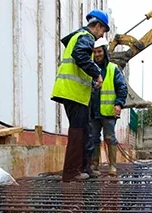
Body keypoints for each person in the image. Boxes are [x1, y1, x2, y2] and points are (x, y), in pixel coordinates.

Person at [51, 9, 110, 182]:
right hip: (73, 92)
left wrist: (90, 80)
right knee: (78, 130)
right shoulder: (86, 37)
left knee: (84, 130)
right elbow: (80, 55)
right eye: (103, 30)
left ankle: (84, 168)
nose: (102, 35)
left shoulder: (80, 37)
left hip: (75, 92)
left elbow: (79, 63)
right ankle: (71, 172)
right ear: (98, 26)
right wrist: (96, 73)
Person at [89, 37, 128, 177]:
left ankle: (112, 165)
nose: (97, 54)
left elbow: (122, 88)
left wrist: (118, 103)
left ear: (104, 52)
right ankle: (94, 165)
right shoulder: (89, 68)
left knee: (109, 137)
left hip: (108, 112)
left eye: (99, 51)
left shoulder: (113, 69)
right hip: (93, 112)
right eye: (94, 52)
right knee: (93, 138)